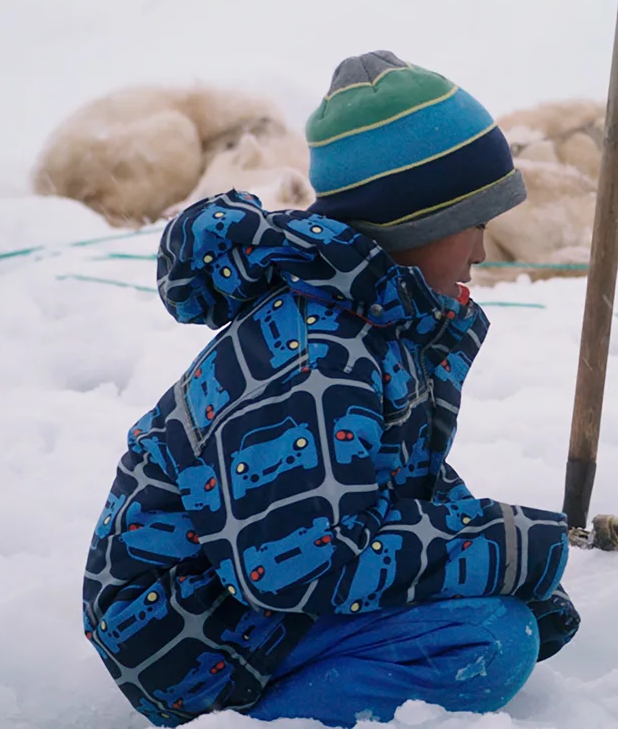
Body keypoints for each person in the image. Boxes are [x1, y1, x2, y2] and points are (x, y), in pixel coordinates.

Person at [81, 52, 581, 726]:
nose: (482, 254)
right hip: (180, 633)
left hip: (236, 602)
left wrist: (517, 562)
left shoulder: (375, 324)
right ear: (415, 223)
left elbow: (393, 485)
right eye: (475, 225)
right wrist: (507, 552)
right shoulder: (318, 358)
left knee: (499, 617)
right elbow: (298, 563)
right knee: (486, 644)